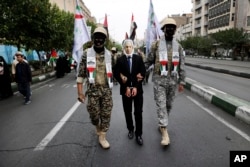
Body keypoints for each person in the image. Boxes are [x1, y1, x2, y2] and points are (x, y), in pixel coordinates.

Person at [147, 18, 186, 146]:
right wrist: (140, 72)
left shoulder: (178, 46)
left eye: (172, 27)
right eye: (167, 27)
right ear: (163, 29)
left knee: (168, 105)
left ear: (175, 30)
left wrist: (182, 81)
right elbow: (149, 61)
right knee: (161, 105)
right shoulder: (156, 45)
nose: (170, 29)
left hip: (173, 81)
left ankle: (162, 124)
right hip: (159, 80)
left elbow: (182, 65)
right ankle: (164, 132)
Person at [77, 26, 113, 149]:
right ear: (93, 39)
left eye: (101, 38)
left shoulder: (109, 55)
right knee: (94, 115)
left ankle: (102, 136)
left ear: (105, 40)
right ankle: (97, 125)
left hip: (107, 90)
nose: (98, 40)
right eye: (96, 38)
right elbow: (81, 74)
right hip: (92, 91)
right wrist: (80, 93)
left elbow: (116, 71)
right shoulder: (86, 54)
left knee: (106, 114)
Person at [114, 39, 146, 145]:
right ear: (124, 48)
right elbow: (116, 73)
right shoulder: (120, 60)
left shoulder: (138, 59)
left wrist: (136, 86)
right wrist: (125, 86)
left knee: (138, 112)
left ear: (133, 48)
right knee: (127, 112)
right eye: (126, 47)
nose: (128, 48)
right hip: (125, 91)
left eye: (130, 46)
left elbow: (143, 72)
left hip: (138, 91)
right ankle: (131, 129)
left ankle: (139, 134)